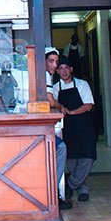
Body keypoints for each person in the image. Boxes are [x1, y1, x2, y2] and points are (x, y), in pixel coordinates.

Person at [52, 56, 96, 202]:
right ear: (57, 71)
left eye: (66, 68)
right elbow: (54, 105)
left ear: (71, 69)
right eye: (61, 69)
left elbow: (88, 105)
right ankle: (82, 188)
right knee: (72, 159)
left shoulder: (82, 84)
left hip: (84, 124)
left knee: (88, 157)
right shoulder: (55, 88)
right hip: (67, 127)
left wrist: (72, 112)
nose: (64, 71)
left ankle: (70, 185)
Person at [45, 47, 72, 210]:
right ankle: (53, 193)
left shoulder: (46, 76)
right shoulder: (45, 75)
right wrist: (60, 105)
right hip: (35, 130)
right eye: (51, 61)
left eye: (57, 61)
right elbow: (49, 101)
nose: (55, 65)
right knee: (60, 148)